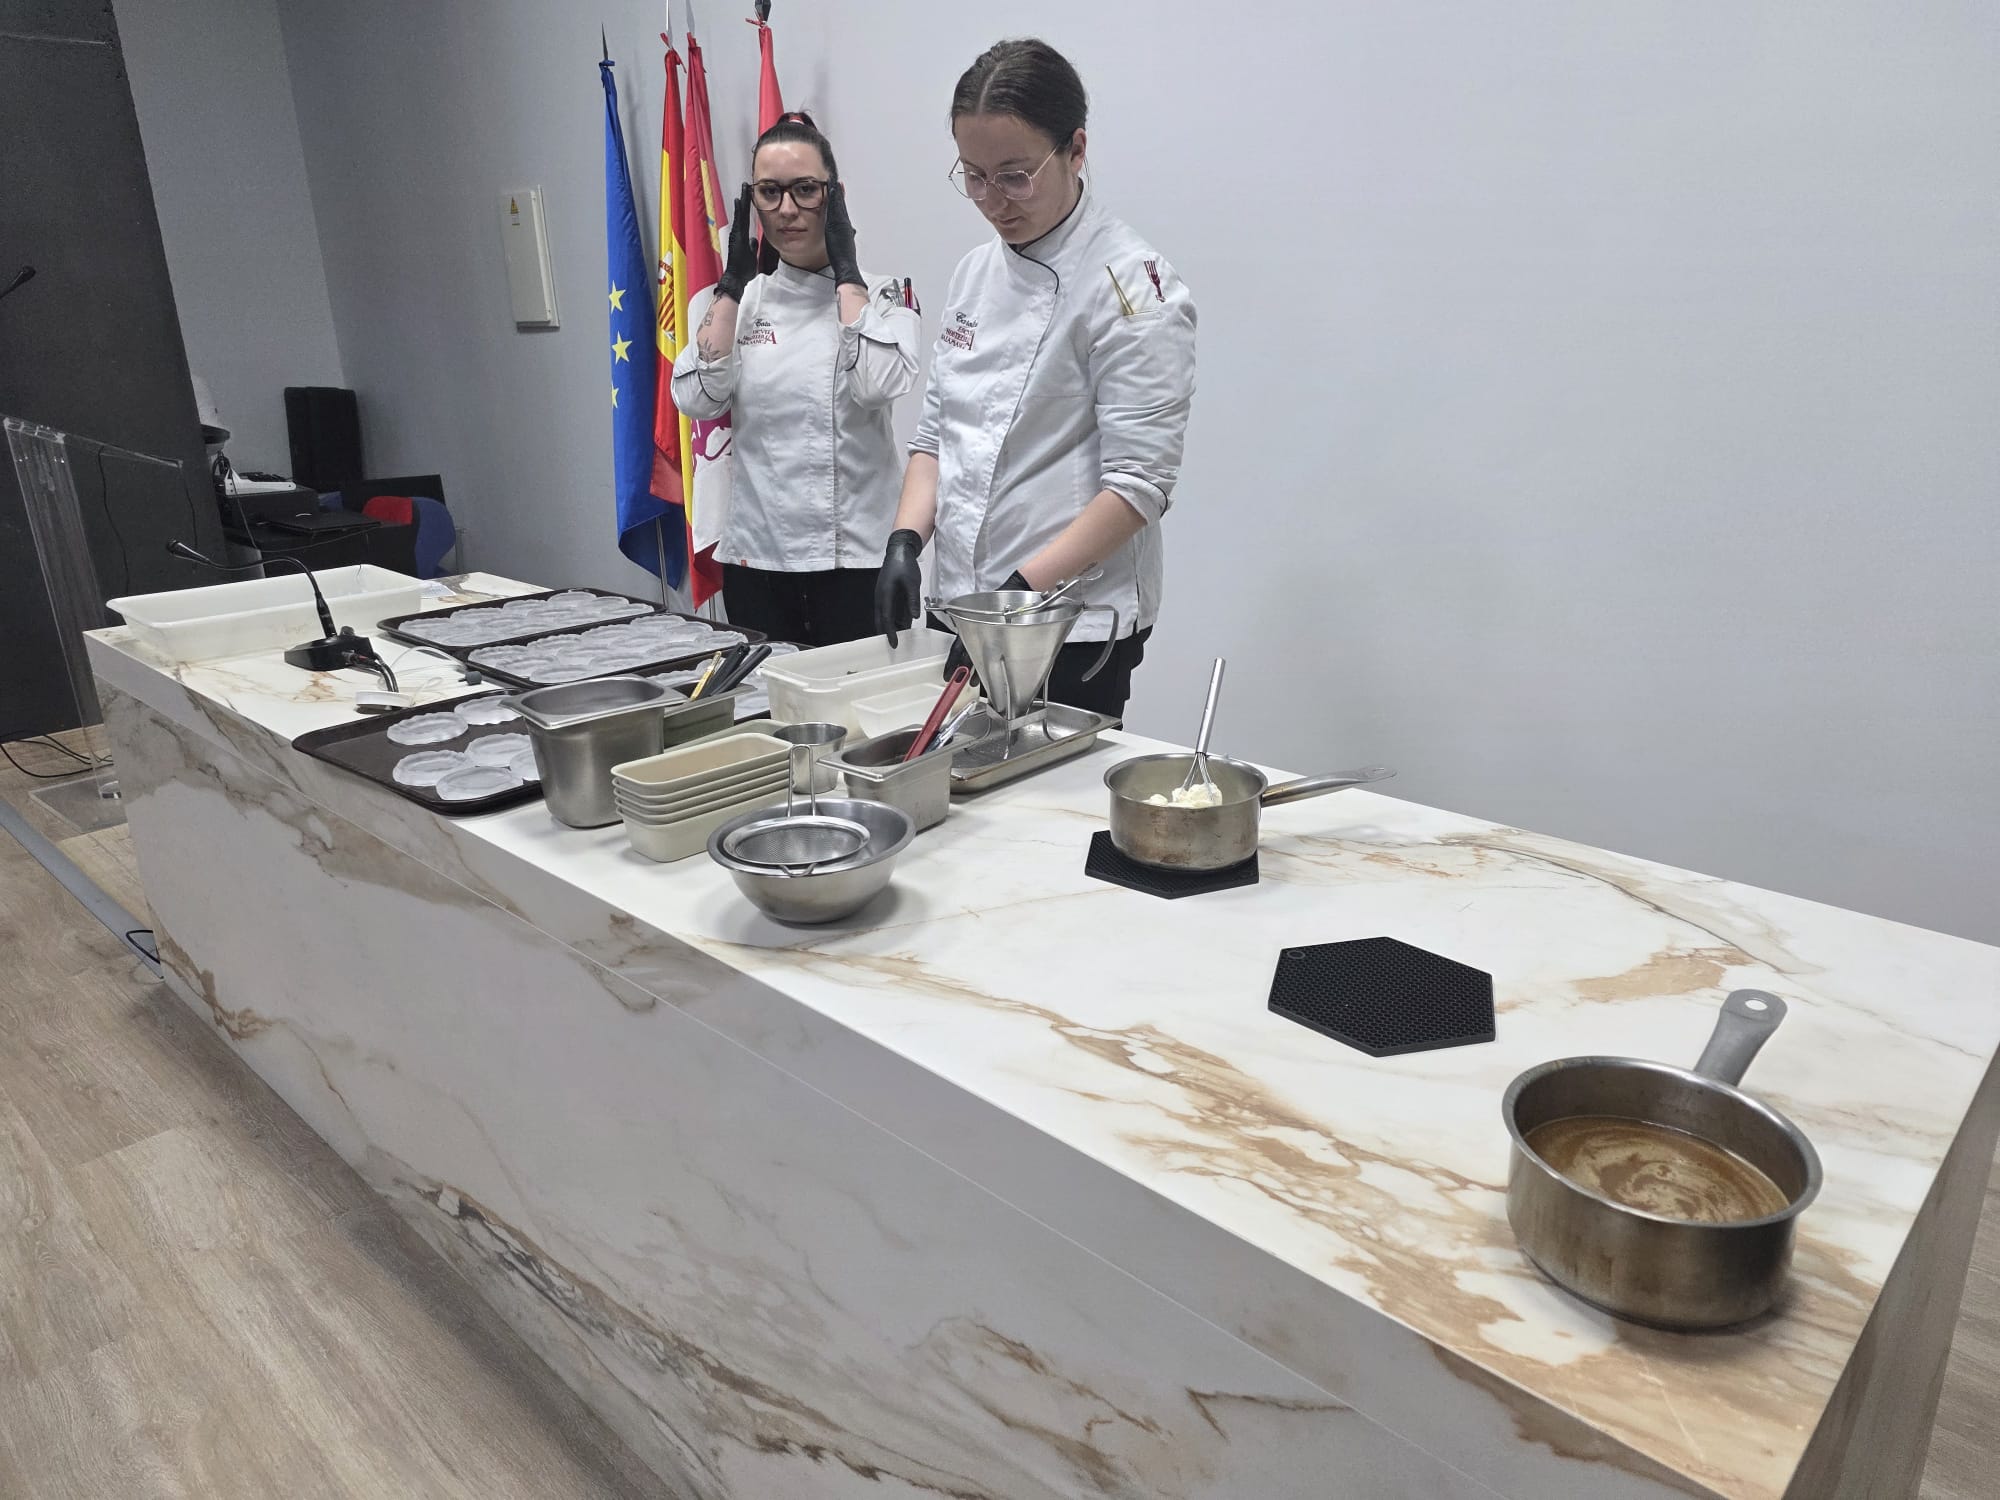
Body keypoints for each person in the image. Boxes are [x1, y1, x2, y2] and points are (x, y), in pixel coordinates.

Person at [873, 39, 1197, 719]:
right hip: (964, 606)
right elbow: (936, 436)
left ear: (1076, 150)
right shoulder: (974, 273)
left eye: (1015, 176)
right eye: (974, 176)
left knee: (1050, 786)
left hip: (1069, 623)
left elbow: (1138, 486)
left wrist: (1018, 597)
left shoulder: (1131, 286)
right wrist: (905, 541)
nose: (993, 201)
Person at [673, 111, 920, 648]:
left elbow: (877, 384)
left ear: (836, 197)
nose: (787, 209)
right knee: (772, 696)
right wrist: (733, 284)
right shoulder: (732, 304)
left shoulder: (885, 295)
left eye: (806, 190)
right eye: (770, 192)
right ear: (752, 202)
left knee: (865, 699)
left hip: (857, 562)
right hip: (758, 561)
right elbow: (696, 398)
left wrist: (848, 273)